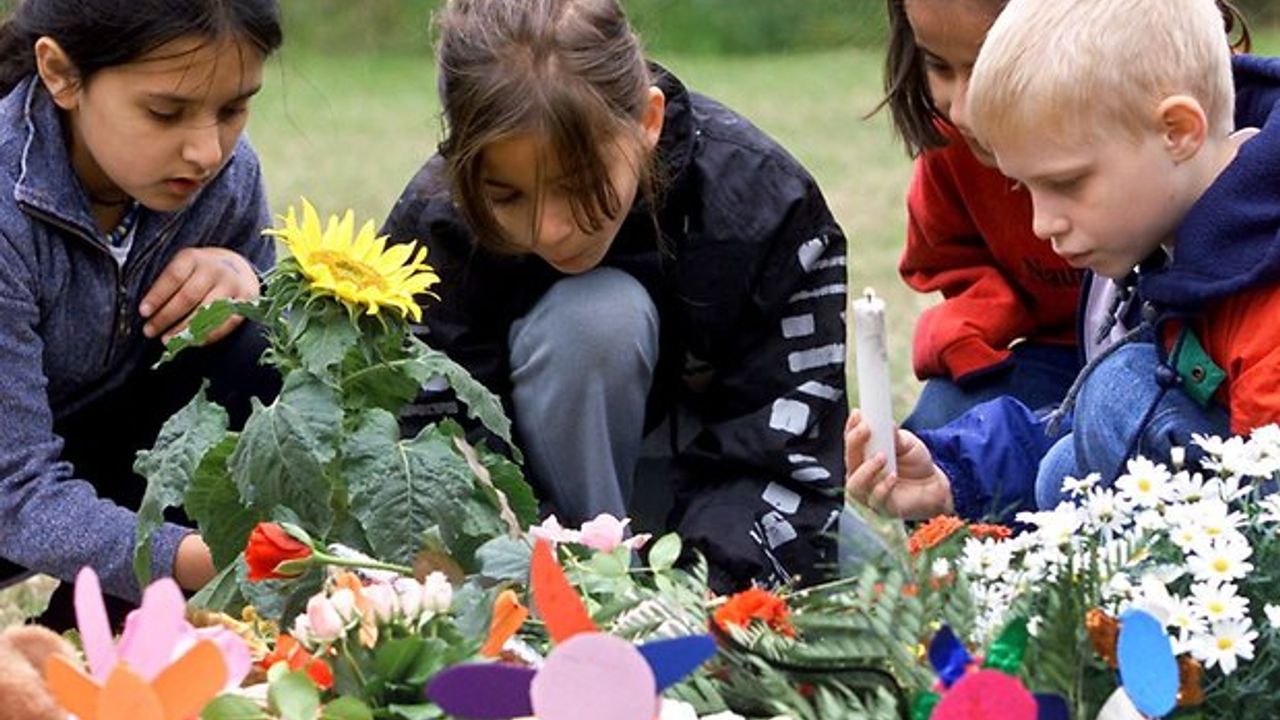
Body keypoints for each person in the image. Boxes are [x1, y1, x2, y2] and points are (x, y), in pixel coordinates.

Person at [383, 0, 850, 591]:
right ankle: (591, 586)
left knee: (863, 572)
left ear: (647, 121)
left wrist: (699, 603)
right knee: (595, 320)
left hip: (709, 498)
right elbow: (428, 459)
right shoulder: (433, 233)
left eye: (579, 186)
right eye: (507, 199)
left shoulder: (768, 207)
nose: (548, 229)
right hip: (537, 529)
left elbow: (783, 458)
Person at [845, 0, 1280, 522]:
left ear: (1178, 130)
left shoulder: (1260, 288)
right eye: (1024, 190)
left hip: (1237, 537)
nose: (1040, 224)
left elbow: (1266, 500)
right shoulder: (1163, 220)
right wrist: (955, 476)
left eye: (1065, 184)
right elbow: (1074, 418)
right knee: (1064, 455)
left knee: (1121, 391)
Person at [0, 0, 283, 621]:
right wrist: (193, 557)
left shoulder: (226, 177)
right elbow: (14, 492)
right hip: (15, 483)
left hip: (99, 454)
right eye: (166, 111)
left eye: (233, 108)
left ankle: (96, 636)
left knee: (259, 342)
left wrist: (250, 280)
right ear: (61, 74)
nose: (207, 151)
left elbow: (274, 365)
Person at [879, 0, 1084, 433]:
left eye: (989, 67)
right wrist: (976, 318)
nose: (961, 111)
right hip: (1054, 358)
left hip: (1173, 363)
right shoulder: (952, 143)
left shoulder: (1161, 122)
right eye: (938, 66)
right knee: (941, 425)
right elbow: (948, 258)